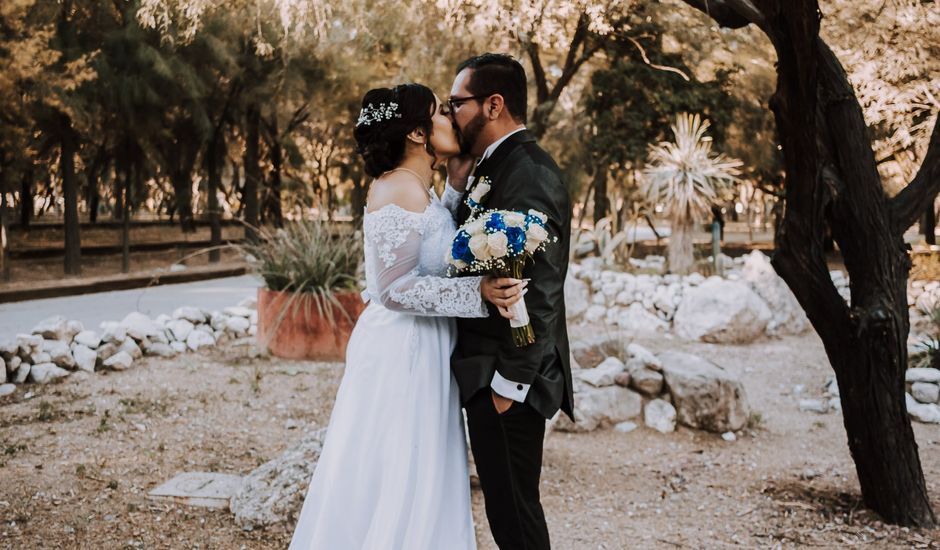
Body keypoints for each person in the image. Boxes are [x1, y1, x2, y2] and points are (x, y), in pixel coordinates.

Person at [289, 83, 526, 550]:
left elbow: (432, 248)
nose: (450, 120)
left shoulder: (418, 187)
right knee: (401, 465)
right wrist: (477, 293)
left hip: (425, 342)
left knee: (421, 461)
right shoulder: (398, 188)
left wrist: (455, 189)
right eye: (440, 113)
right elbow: (395, 289)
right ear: (418, 133)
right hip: (403, 347)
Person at [444, 53, 574, 550]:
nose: (450, 113)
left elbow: (539, 290)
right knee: (506, 511)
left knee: (515, 517)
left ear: (493, 104)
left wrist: (509, 384)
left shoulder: (528, 171)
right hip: (487, 369)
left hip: (507, 376)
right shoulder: (493, 165)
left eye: (457, 103)